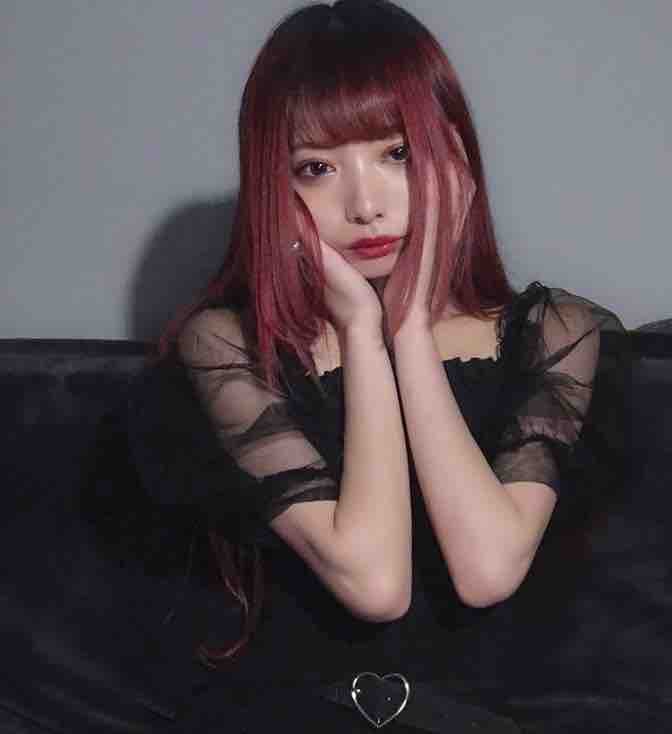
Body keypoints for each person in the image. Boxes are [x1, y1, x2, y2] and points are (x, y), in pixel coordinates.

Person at [115, 1, 625, 731]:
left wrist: (408, 329)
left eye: (397, 154)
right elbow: (377, 584)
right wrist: (362, 330)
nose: (364, 205)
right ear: (273, 186)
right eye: (316, 168)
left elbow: (487, 570)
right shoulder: (227, 346)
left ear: (455, 160)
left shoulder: (556, 333)